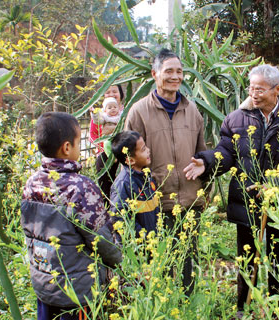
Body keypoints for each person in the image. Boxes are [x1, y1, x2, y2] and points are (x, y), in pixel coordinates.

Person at [184, 64, 279, 312]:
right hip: (245, 200)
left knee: (277, 259)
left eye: (260, 89)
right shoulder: (236, 118)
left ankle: (277, 309)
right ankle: (242, 308)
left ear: (277, 90)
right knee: (246, 258)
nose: (254, 93)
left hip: (277, 205)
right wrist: (207, 162)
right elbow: (226, 152)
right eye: (251, 88)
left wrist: (274, 185)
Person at [21, 112, 122, 320]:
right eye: (78, 142)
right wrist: (123, 262)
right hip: (76, 294)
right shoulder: (81, 188)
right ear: (67, 148)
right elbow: (102, 242)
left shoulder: (31, 183)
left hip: (44, 286)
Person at [125, 49, 206, 295]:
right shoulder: (139, 111)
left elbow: (201, 153)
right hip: (155, 204)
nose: (175, 76)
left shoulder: (191, 110)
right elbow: (129, 160)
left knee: (188, 264)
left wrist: (203, 183)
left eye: (179, 72)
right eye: (168, 71)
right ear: (154, 74)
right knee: (158, 266)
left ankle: (187, 307)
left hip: (190, 203)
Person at [110, 131, 159, 238]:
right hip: (137, 247)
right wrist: (144, 236)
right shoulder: (124, 183)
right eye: (143, 150)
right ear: (130, 160)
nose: (148, 151)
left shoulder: (147, 177)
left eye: (145, 147)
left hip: (152, 243)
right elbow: (119, 218)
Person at [89, 84, 124, 206]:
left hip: (124, 153)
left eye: (115, 91)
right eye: (107, 92)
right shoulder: (102, 114)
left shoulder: (127, 111)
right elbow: (93, 134)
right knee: (104, 177)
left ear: (121, 94)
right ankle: (108, 209)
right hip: (105, 152)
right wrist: (103, 146)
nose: (111, 94)